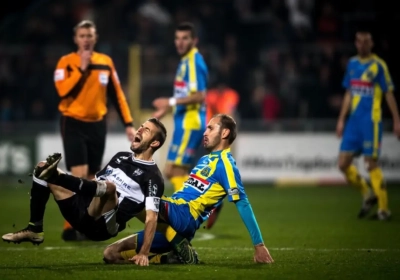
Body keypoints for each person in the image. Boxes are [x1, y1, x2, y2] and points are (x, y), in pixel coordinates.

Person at [102, 114, 274, 265]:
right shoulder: (204, 160)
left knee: (135, 195)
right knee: (110, 254)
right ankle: (171, 255)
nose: (205, 133)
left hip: (184, 215)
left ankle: (173, 240)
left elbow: (242, 203)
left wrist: (259, 245)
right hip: (170, 217)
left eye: (210, 128)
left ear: (225, 133)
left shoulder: (226, 164)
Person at [3, 118, 167, 266]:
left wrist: (144, 252)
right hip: (82, 210)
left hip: (102, 225)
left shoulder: (153, 178)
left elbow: (151, 218)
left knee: (110, 188)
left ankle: (57, 177)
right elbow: (94, 184)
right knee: (41, 167)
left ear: (154, 143)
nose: (139, 130)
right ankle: (35, 228)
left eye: (146, 130)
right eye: (141, 126)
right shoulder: (120, 157)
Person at [54, 20, 136, 240]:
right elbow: (62, 91)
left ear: (95, 38)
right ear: (76, 39)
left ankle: (86, 224)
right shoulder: (66, 62)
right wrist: (81, 68)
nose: (86, 39)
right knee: (79, 174)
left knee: (92, 177)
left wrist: (128, 123)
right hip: (73, 122)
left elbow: (117, 95)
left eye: (90, 35)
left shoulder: (105, 62)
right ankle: (70, 227)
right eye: (82, 35)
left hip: (97, 124)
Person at [336, 31, 400, 220]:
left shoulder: (379, 65)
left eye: (366, 41)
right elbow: (349, 93)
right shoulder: (352, 64)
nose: (363, 44)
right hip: (353, 122)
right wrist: (341, 119)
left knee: (371, 164)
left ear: (371, 43)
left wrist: (397, 120)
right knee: (343, 164)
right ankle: (367, 193)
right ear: (356, 43)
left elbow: (388, 93)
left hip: (371, 121)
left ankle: (383, 209)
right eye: (359, 41)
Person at [152, 22, 208, 194]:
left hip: (190, 123)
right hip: (184, 122)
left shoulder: (193, 62)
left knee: (173, 171)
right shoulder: (185, 61)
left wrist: (170, 102)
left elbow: (200, 96)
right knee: (177, 172)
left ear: (194, 40)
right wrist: (166, 110)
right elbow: (184, 93)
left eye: (185, 38)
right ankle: (190, 211)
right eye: (177, 38)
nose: (180, 42)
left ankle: (192, 208)